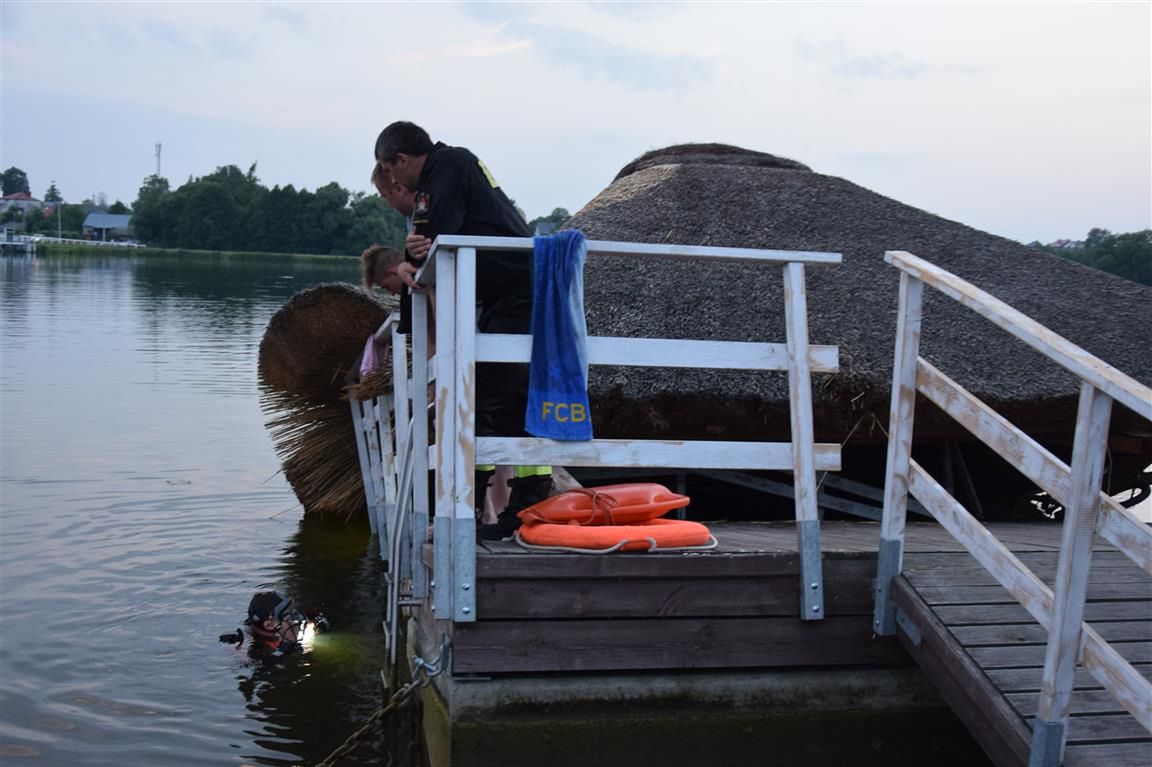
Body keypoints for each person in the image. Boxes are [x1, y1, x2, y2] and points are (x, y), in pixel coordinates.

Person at [374, 121, 551, 538]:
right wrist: (411, 256)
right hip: (502, 294)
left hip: (517, 291)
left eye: (391, 172)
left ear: (400, 160)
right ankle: (506, 508)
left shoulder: (448, 165)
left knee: (492, 395)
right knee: (496, 396)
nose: (393, 182)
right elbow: (425, 240)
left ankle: (501, 505)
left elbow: (439, 231)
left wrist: (416, 253)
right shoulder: (445, 169)